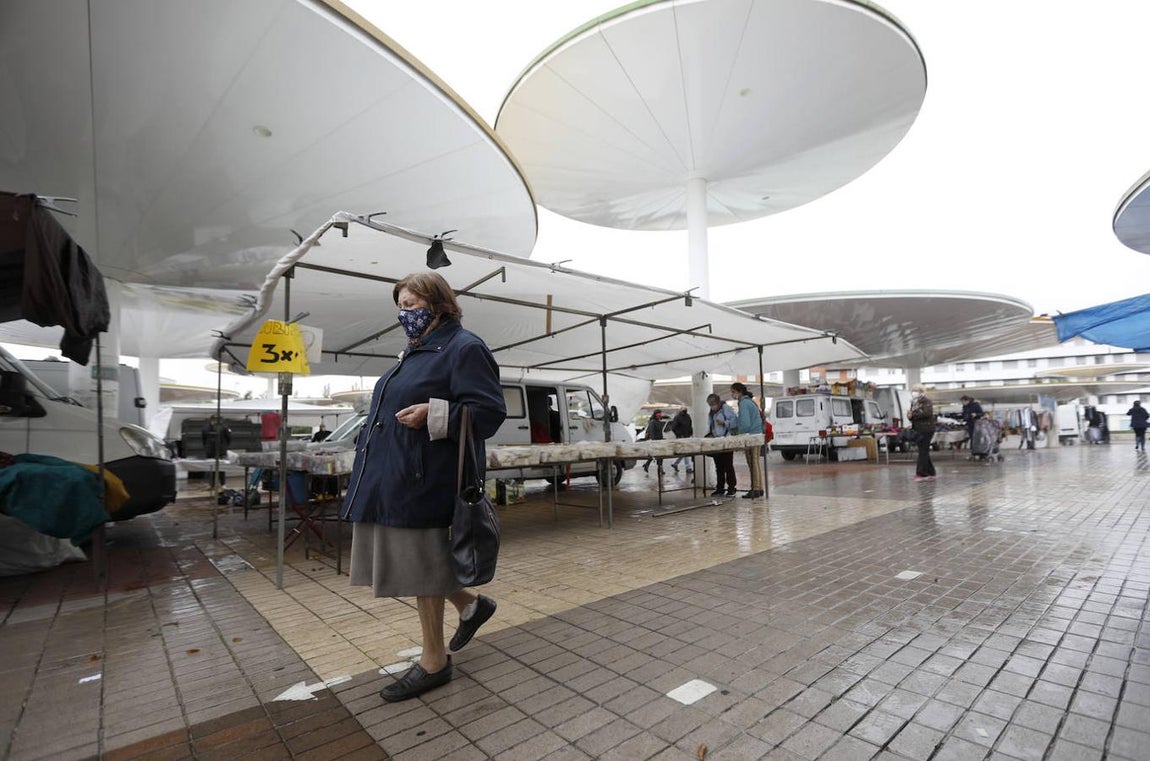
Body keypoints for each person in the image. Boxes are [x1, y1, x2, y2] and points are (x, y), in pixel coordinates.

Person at [342, 271, 507, 703]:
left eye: (413, 305)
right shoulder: (416, 352)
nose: (405, 313)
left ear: (440, 304)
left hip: (426, 480)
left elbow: (487, 412)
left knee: (421, 569)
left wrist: (436, 414)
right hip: (396, 478)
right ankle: (472, 606)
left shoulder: (464, 347)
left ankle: (434, 662)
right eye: (401, 305)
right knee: (419, 563)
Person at [731, 382, 764, 498]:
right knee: (755, 462)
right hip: (757, 434)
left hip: (751, 436)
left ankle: (755, 489)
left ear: (739, 392)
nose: (732, 395)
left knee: (752, 462)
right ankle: (759, 488)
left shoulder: (744, 403)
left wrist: (738, 434)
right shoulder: (750, 401)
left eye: (733, 392)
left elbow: (745, 423)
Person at [706, 393, 739, 496]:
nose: (712, 406)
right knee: (718, 466)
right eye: (710, 404)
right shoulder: (711, 412)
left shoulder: (726, 408)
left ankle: (731, 487)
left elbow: (734, 421)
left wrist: (724, 422)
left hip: (726, 440)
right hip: (716, 441)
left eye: (712, 404)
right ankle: (720, 488)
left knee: (728, 465)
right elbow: (711, 425)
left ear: (717, 402)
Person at [908, 384, 936, 480]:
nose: (914, 392)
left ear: (921, 392)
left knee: (923, 451)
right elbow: (914, 417)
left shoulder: (926, 401)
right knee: (923, 451)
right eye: (913, 390)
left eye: (916, 390)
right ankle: (931, 472)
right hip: (918, 428)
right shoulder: (914, 402)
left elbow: (927, 413)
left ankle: (921, 473)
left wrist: (913, 414)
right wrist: (910, 417)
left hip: (927, 429)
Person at [201, 415, 232, 486]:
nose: (215, 422)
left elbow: (229, 438)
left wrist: (224, 447)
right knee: (211, 468)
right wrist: (207, 447)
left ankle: (222, 484)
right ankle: (211, 484)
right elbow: (204, 439)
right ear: (211, 420)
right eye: (214, 420)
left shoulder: (224, 428)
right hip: (210, 451)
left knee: (221, 468)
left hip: (221, 451)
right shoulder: (205, 428)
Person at [668, 407, 694, 474]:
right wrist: (679, 435)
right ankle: (688, 468)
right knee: (686, 452)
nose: (684, 411)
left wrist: (691, 433)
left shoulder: (688, 416)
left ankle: (675, 463)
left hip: (687, 436)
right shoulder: (677, 417)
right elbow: (673, 427)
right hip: (681, 437)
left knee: (684, 452)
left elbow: (690, 425)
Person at [642, 409, 665, 474]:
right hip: (655, 441)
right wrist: (653, 440)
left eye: (660, 413)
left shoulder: (658, 421)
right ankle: (659, 468)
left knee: (658, 455)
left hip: (660, 440)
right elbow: (651, 432)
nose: (660, 415)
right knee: (656, 455)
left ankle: (647, 465)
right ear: (655, 414)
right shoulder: (652, 422)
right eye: (658, 413)